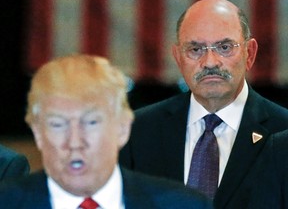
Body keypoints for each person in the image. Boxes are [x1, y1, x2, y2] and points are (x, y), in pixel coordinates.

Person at [119, 0, 288, 209]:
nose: (210, 62)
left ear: (250, 54)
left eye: (225, 47)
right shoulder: (138, 132)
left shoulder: (283, 131)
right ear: (178, 58)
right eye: (195, 49)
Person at [0, 55, 212, 209]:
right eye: (58, 124)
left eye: (91, 122)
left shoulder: (184, 205)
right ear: (37, 133)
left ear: (122, 128)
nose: (75, 141)